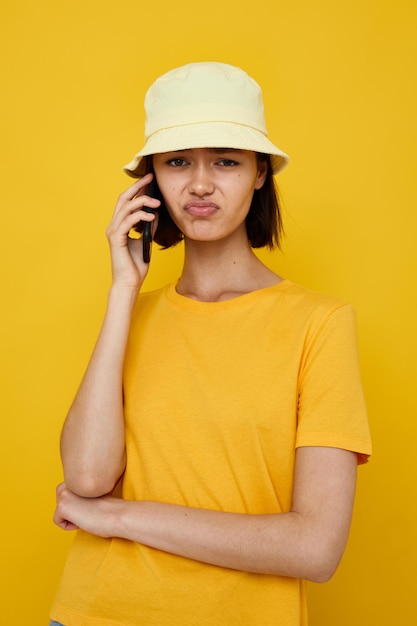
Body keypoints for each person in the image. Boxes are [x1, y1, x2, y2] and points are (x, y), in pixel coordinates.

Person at [50, 62, 372, 626]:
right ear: (151, 180)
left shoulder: (320, 323)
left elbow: (315, 548)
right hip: (95, 612)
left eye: (225, 160)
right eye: (178, 162)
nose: (200, 184)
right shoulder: (134, 315)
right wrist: (124, 291)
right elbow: (86, 479)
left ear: (259, 174)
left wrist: (120, 519)